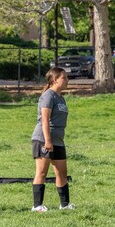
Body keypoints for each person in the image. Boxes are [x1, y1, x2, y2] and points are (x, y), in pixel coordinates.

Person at [31, 67, 74, 212]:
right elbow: (44, 120)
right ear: (55, 80)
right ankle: (37, 206)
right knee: (42, 172)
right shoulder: (48, 96)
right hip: (44, 139)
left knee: (62, 173)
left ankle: (65, 204)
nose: (67, 80)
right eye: (64, 78)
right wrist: (48, 141)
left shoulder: (60, 97)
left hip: (58, 141)